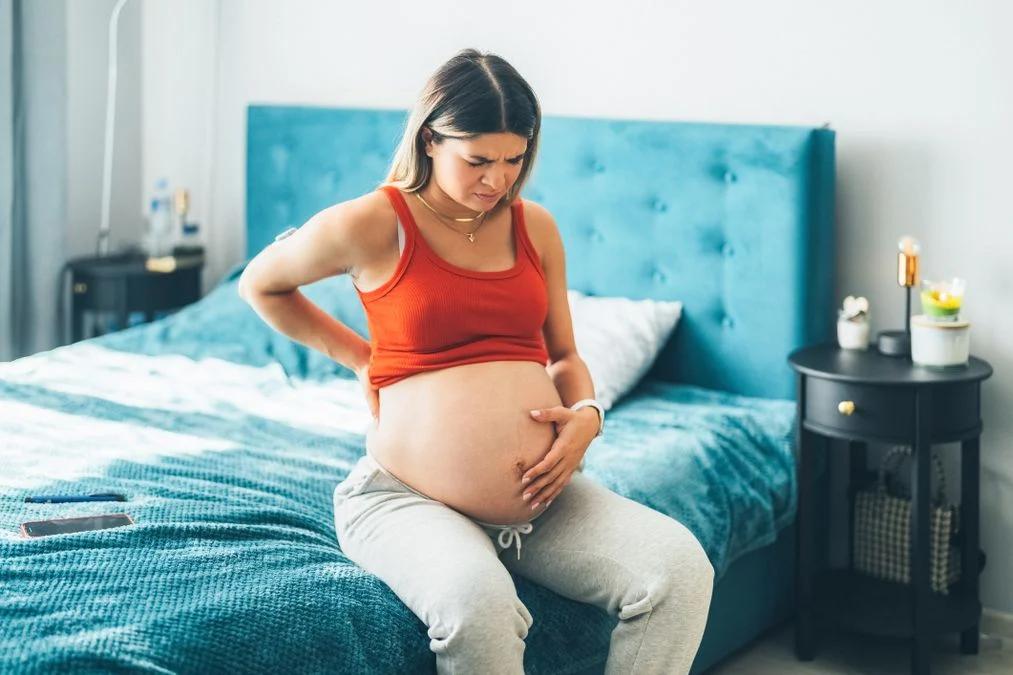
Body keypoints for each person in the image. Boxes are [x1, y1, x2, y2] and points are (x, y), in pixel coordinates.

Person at [238, 48, 714, 675]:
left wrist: (587, 418)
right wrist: (359, 358)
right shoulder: (375, 222)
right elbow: (261, 284)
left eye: (515, 159)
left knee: (677, 571)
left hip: (539, 499)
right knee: (478, 604)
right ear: (431, 139)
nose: (498, 180)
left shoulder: (534, 227)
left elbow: (566, 355)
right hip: (404, 498)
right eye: (479, 160)